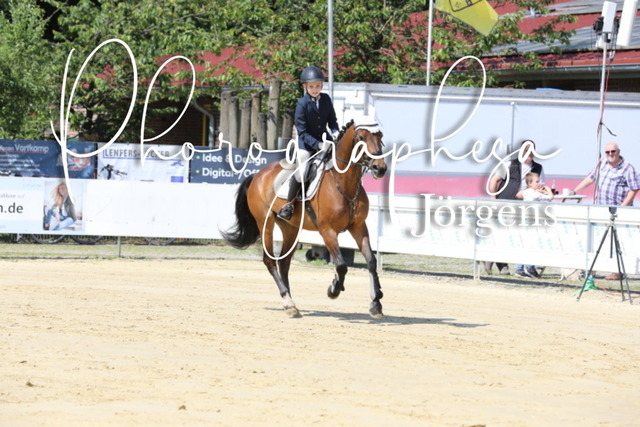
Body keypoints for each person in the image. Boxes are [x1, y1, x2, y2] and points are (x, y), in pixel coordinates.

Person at [277, 66, 340, 220]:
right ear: (305, 86)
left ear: (322, 85)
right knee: (301, 173)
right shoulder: (302, 104)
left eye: (318, 86)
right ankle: (289, 205)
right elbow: (303, 132)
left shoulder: (326, 99)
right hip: (306, 144)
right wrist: (318, 145)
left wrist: (335, 132)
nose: (315, 89)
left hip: (326, 142)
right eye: (311, 86)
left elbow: (332, 121)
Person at [570, 142, 639, 280]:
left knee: (617, 241)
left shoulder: (628, 168)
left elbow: (634, 188)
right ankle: (594, 269)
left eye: (613, 151)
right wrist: (574, 191)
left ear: (618, 151)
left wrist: (623, 206)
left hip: (618, 210)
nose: (610, 154)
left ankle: (617, 271)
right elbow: (590, 178)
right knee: (599, 239)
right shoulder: (602, 164)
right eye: (608, 152)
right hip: (601, 209)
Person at [485, 139, 546, 275]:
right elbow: (494, 180)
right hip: (505, 202)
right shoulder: (510, 164)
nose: (530, 153)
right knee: (501, 233)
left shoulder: (538, 168)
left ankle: (502, 262)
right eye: (526, 150)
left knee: (515, 235)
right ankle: (499, 264)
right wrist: (493, 200)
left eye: (532, 150)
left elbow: (541, 186)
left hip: (524, 206)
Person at [514, 172, 553, 278]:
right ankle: (529, 268)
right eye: (537, 181)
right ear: (530, 183)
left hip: (525, 220)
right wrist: (548, 190)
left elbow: (523, 194)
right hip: (532, 221)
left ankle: (522, 268)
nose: (539, 183)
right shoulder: (534, 194)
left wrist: (538, 190)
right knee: (532, 244)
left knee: (526, 244)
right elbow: (550, 198)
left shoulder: (527, 192)